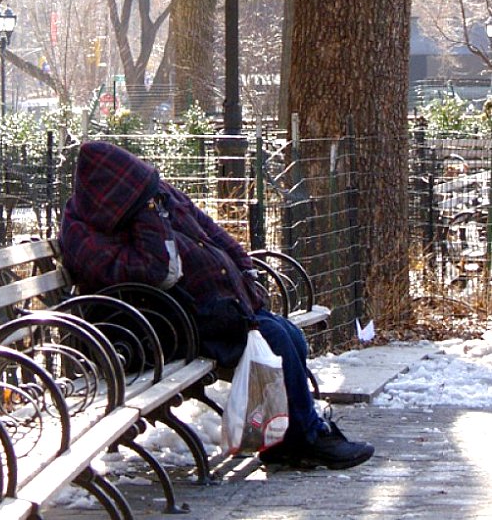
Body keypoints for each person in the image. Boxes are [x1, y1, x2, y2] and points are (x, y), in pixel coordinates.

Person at [58, 140, 374, 470]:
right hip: (167, 328)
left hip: (210, 308)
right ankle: (306, 438)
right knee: (277, 340)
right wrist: (148, 214)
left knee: (290, 336)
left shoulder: (155, 196)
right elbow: (157, 270)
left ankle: (283, 441)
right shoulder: (91, 228)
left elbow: (212, 232)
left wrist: (245, 271)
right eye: (145, 193)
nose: (154, 196)